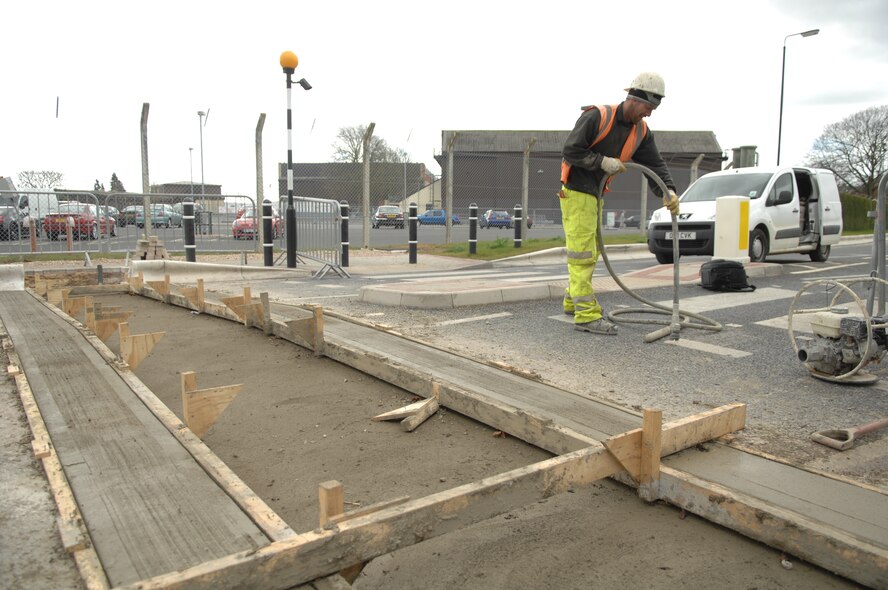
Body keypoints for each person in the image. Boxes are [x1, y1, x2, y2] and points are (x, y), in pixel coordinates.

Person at [559, 71, 679, 335]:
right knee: (583, 254)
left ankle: (572, 300)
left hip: (596, 194)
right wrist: (601, 162)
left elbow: (655, 163)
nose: (649, 114)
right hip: (577, 192)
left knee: (589, 249)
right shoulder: (597, 116)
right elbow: (571, 150)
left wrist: (668, 190)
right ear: (634, 98)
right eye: (649, 107)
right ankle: (586, 316)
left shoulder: (641, 131)